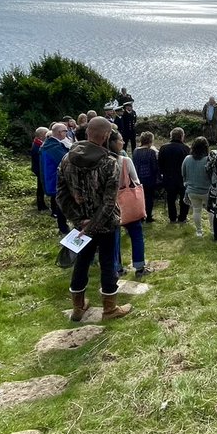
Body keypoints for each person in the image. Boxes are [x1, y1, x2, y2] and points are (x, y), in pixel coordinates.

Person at [57, 116, 131, 321]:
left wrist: (79, 220)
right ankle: (109, 309)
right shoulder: (110, 163)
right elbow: (109, 202)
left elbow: (61, 195)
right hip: (106, 224)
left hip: (80, 223)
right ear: (106, 136)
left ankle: (78, 307)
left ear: (87, 132)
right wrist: (92, 225)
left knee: (82, 261)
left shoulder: (67, 159)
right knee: (108, 263)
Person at [108, 129, 150, 278]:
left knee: (114, 238)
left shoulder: (100, 161)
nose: (123, 142)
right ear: (113, 143)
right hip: (126, 203)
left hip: (109, 206)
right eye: (120, 139)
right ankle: (139, 267)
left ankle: (117, 268)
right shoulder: (125, 161)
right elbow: (135, 181)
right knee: (136, 234)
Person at [39, 122, 74, 265]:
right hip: (55, 179)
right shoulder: (53, 146)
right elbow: (67, 159)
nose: (66, 134)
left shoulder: (48, 144)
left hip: (51, 178)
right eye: (65, 131)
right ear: (60, 133)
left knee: (58, 202)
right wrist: (70, 146)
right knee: (60, 203)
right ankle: (63, 226)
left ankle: (63, 224)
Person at [158, 127, 191, 224]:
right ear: (182, 136)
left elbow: (160, 163)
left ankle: (172, 218)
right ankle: (182, 218)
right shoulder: (186, 148)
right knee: (184, 199)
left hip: (169, 177)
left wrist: (163, 173)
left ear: (171, 136)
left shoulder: (163, 148)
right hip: (182, 178)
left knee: (171, 199)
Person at [182, 136, 212, 236]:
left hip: (192, 190)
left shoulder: (187, 159)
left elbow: (183, 174)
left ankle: (199, 231)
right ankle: (212, 231)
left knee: (196, 210)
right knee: (210, 211)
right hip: (206, 190)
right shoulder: (208, 160)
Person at [132, 132, 160, 223]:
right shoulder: (151, 152)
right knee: (149, 198)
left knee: (140, 198)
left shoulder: (136, 151)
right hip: (149, 177)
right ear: (150, 141)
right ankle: (148, 216)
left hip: (138, 177)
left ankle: (140, 216)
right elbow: (154, 166)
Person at [31, 126, 48, 212]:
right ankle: (40, 205)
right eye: (46, 134)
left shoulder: (38, 143)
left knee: (41, 187)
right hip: (39, 169)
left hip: (39, 168)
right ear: (41, 135)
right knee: (40, 188)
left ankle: (42, 204)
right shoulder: (37, 145)